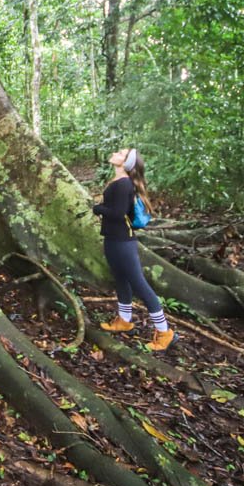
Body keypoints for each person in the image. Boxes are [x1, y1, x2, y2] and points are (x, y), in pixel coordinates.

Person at [91, 147, 175, 351]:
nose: (117, 152)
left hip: (122, 241)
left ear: (125, 163)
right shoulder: (120, 182)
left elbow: (118, 213)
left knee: (139, 283)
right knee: (121, 279)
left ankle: (165, 332)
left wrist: (97, 208)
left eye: (121, 153)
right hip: (113, 239)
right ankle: (124, 320)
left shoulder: (124, 184)